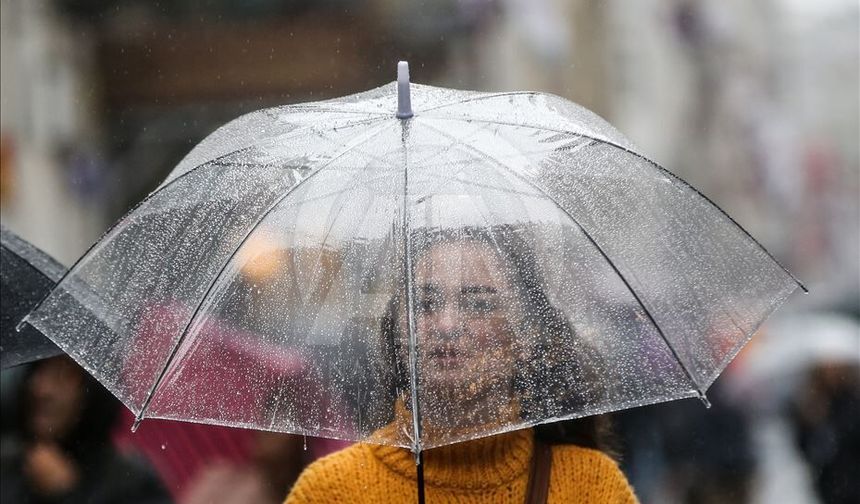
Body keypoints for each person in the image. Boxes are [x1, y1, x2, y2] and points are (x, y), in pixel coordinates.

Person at [285, 225, 638, 503]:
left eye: (480, 305)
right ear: (398, 329)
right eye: (425, 304)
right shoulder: (333, 491)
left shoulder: (591, 487)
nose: (447, 325)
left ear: (526, 336)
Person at [0, 355, 171, 504]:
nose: (42, 389)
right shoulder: (7, 462)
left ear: (94, 390)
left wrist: (67, 496)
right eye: (38, 371)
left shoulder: (132, 483)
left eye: (64, 376)